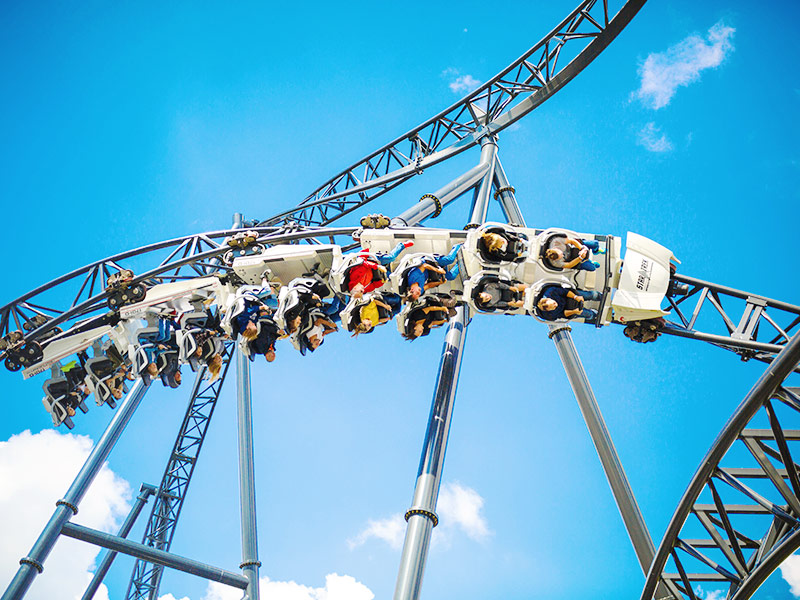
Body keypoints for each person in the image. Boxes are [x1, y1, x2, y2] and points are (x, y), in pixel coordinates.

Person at [346, 241, 414, 298]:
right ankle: (410, 270)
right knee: (393, 277)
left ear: (355, 288)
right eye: (363, 292)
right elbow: (374, 286)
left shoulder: (354, 277)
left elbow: (364, 264)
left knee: (391, 258)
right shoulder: (365, 288)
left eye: (361, 291)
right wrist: (382, 282)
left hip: (373, 261)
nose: (363, 290)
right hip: (377, 273)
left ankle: (402, 245)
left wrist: (378, 266)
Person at [536, 285, 601, 321]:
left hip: (568, 297)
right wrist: (574, 311)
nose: (555, 306)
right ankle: (594, 314)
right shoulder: (549, 314)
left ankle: (598, 296)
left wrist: (576, 297)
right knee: (586, 313)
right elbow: (563, 314)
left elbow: (565, 292)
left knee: (587, 295)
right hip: (567, 309)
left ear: (549, 299)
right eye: (553, 308)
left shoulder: (551, 292)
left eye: (553, 304)